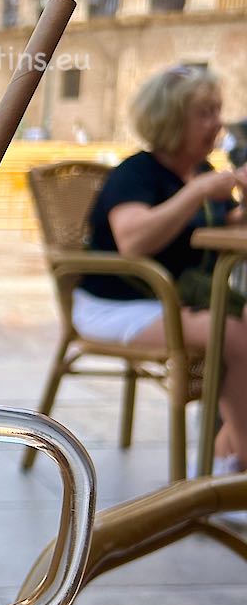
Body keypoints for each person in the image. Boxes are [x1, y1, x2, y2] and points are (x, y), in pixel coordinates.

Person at [76, 65, 247, 474]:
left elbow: (211, 229)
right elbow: (133, 241)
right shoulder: (136, 173)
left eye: (218, 111)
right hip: (113, 304)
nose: (218, 123)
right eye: (204, 113)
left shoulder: (201, 172)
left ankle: (224, 461)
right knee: (235, 333)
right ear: (171, 119)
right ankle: (233, 469)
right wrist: (198, 192)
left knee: (240, 327)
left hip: (170, 300)